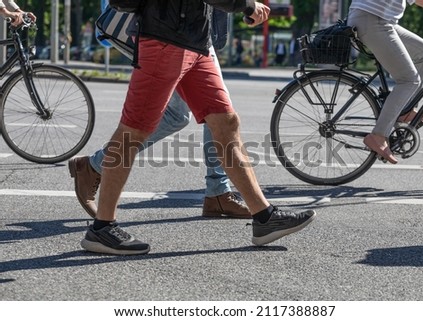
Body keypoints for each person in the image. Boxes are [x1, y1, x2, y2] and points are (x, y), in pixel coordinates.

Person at [77, 0, 316, 256]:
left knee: (226, 122)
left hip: (196, 41)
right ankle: (102, 228)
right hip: (164, 39)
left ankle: (265, 218)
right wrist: (247, 6)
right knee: (133, 131)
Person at [70, 10, 251, 221]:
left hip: (193, 31)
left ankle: (219, 191)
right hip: (167, 29)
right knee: (198, 114)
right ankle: (94, 173)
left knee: (214, 114)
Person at [347, 0, 423, 164]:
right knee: (409, 80)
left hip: (382, 20)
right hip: (371, 20)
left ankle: (406, 110)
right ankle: (378, 135)